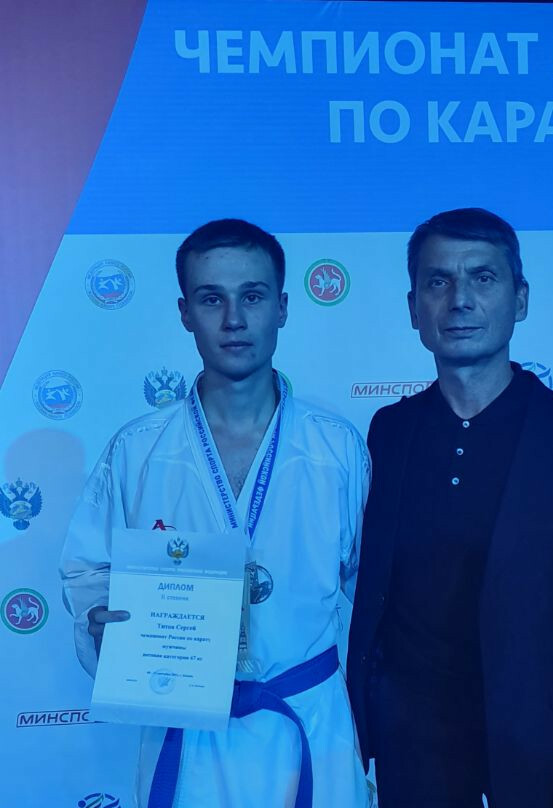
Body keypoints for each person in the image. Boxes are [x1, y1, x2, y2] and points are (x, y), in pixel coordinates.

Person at [60, 219, 370, 808]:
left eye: (252, 296)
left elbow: (374, 597)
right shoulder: (137, 452)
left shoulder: (337, 450)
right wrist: (98, 622)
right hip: (187, 731)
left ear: (282, 307)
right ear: (184, 313)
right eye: (211, 299)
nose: (233, 319)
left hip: (309, 725)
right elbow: (88, 573)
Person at [347, 208, 553, 808]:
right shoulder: (390, 432)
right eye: (438, 281)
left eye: (483, 278)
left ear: (521, 299)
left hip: (546, 761)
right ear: (413, 308)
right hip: (413, 760)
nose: (459, 300)